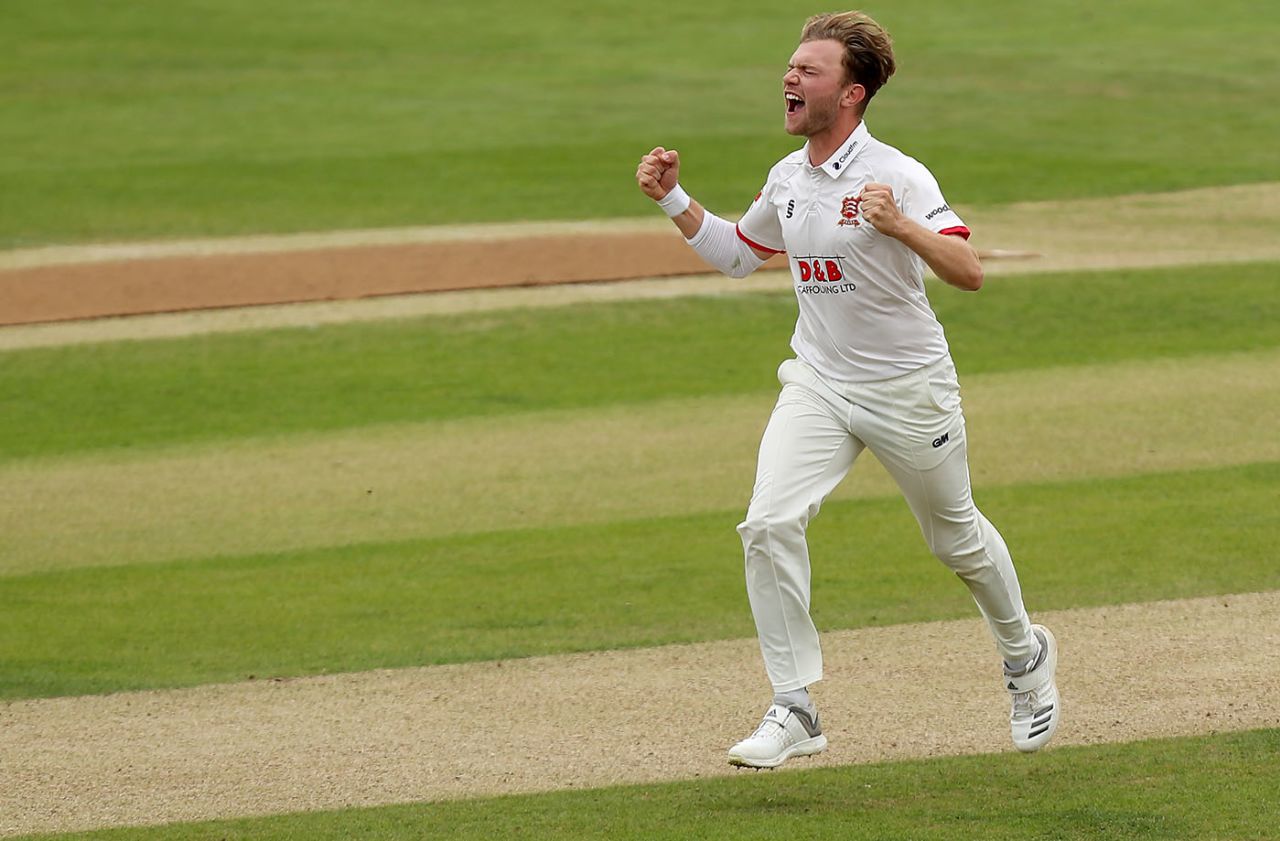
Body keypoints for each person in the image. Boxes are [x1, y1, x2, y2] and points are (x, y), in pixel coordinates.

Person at [635, 11, 1059, 768]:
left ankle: (1025, 658)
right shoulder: (788, 176)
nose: (790, 78)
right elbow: (738, 254)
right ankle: (795, 705)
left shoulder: (898, 175)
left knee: (954, 537)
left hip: (907, 388)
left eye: (810, 70)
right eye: (791, 67)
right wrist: (674, 198)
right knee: (767, 522)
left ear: (853, 92)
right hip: (820, 383)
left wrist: (899, 227)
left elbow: (968, 272)